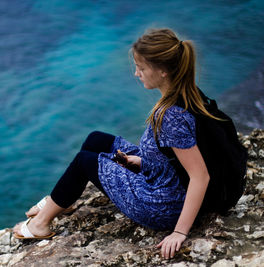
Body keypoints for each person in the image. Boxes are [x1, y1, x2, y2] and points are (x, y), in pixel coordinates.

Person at [13, 28, 214, 259]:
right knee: (96, 139)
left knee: (83, 162)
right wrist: (140, 161)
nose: (136, 73)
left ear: (162, 71)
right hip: (162, 180)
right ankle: (62, 199)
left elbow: (200, 176)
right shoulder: (185, 95)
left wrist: (179, 231)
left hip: (160, 206)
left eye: (142, 67)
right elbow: (171, 156)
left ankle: (40, 224)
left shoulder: (171, 117)